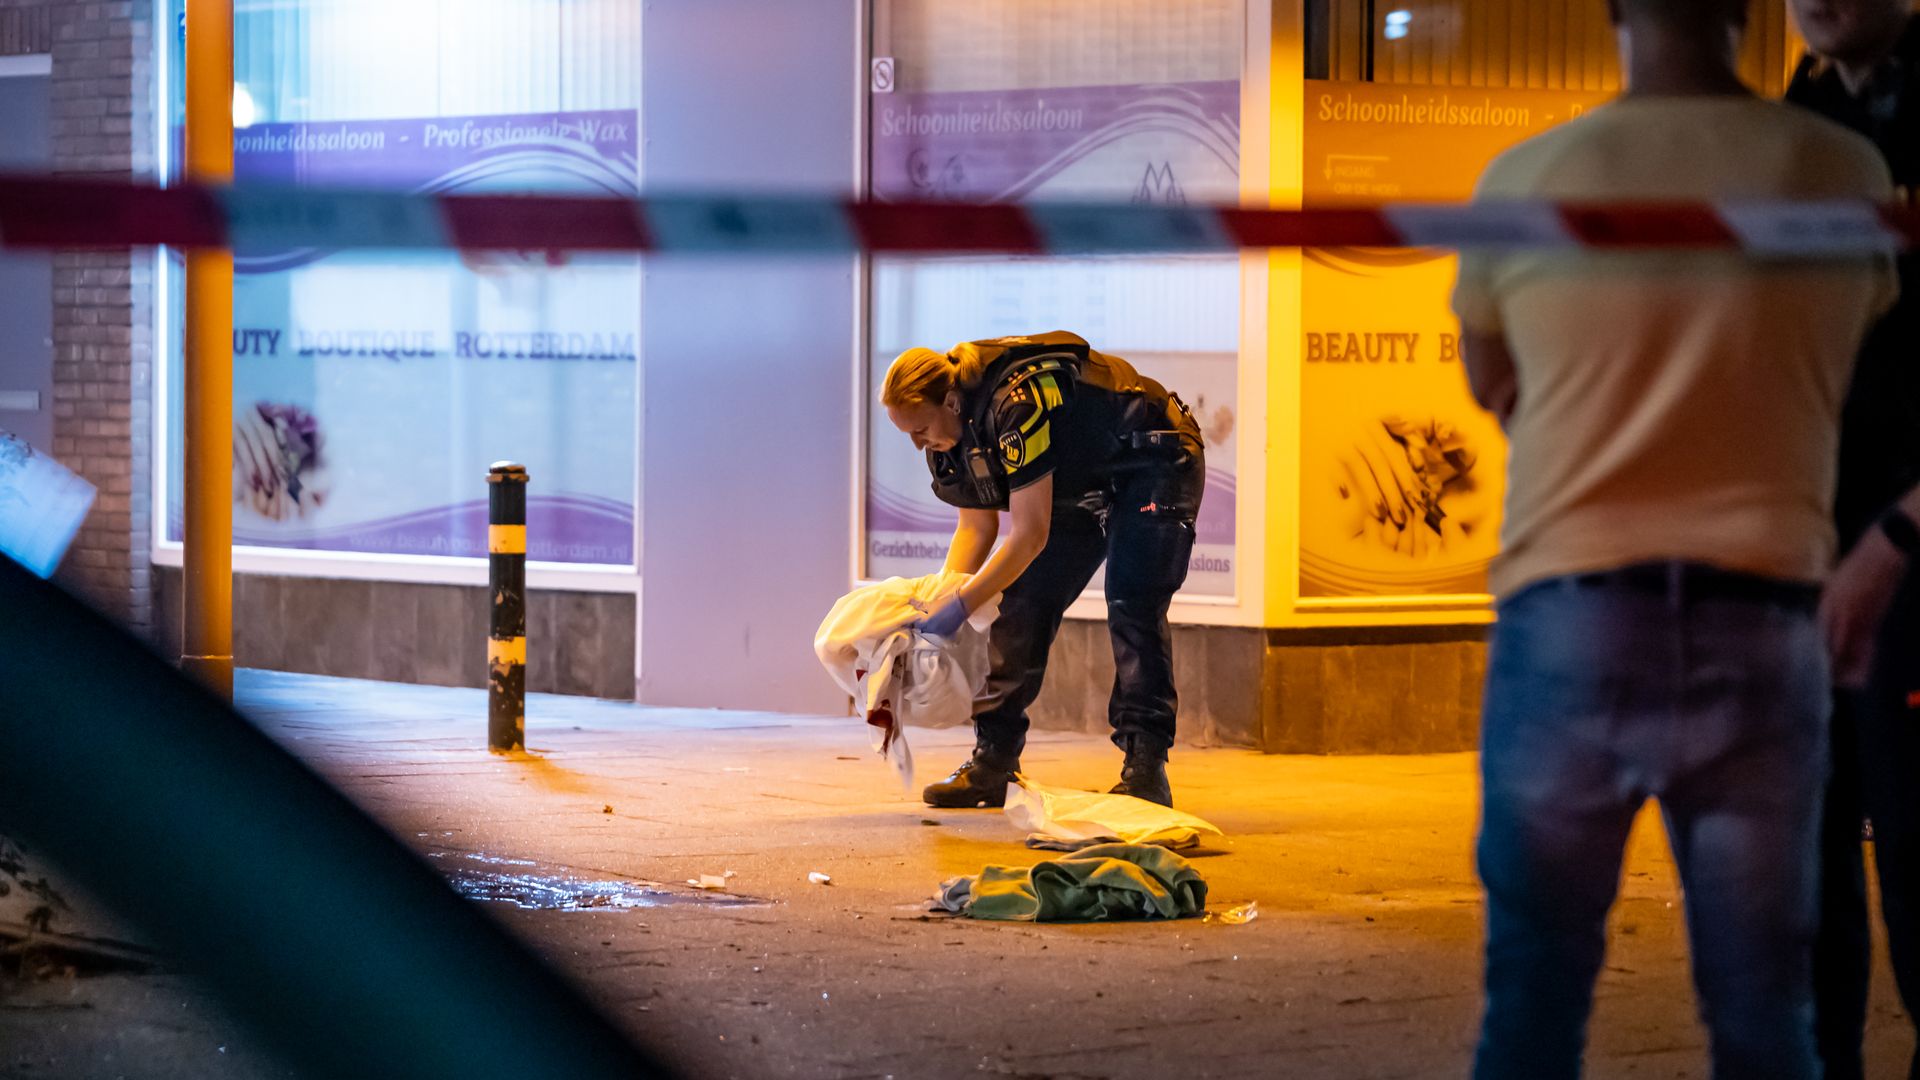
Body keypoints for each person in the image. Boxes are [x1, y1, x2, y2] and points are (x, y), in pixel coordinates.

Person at [1449, 0, 1899, 1074]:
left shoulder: (1523, 180)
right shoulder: (1842, 171)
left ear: (1612, 14)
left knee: (1534, 1002)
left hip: (1571, 613)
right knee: (1763, 1015)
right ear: (1747, 14)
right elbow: (1859, 353)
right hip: (1767, 616)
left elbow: (1493, 379)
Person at [880, 331, 1203, 809]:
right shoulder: (948, 435)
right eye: (908, 434)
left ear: (950, 400)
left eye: (920, 430)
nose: (917, 445)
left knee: (1132, 603)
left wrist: (963, 604)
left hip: (1153, 458)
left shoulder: (1017, 406)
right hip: (1083, 480)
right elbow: (976, 528)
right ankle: (993, 763)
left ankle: (1145, 768)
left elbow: (1029, 535)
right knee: (1022, 603)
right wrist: (937, 602)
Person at [1784, 5, 1920, 1077]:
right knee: (1803, 885)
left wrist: (1897, 540)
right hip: (1811, 562)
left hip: (1908, 560)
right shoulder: (1807, 111)